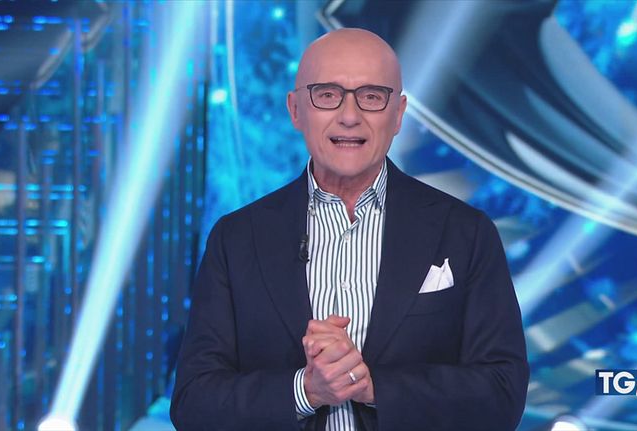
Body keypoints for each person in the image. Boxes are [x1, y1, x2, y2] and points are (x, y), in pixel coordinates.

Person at [170, 28, 529, 431]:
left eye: (371, 97)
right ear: (295, 110)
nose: (350, 116)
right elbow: (193, 403)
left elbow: (502, 392)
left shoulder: (466, 233)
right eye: (327, 95)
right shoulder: (236, 239)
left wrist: (372, 387)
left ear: (398, 114)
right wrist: (306, 391)